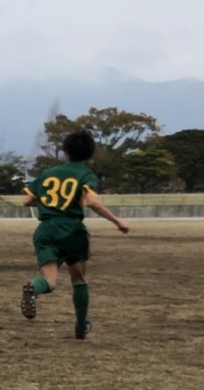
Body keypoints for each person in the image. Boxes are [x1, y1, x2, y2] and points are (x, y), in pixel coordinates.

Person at [20, 129, 130, 339]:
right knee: (78, 279)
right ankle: (81, 326)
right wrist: (117, 222)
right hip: (71, 230)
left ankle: (34, 287)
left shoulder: (48, 173)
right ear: (89, 154)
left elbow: (27, 201)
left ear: (66, 152)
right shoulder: (86, 175)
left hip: (45, 229)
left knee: (49, 281)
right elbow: (93, 202)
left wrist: (48, 202)